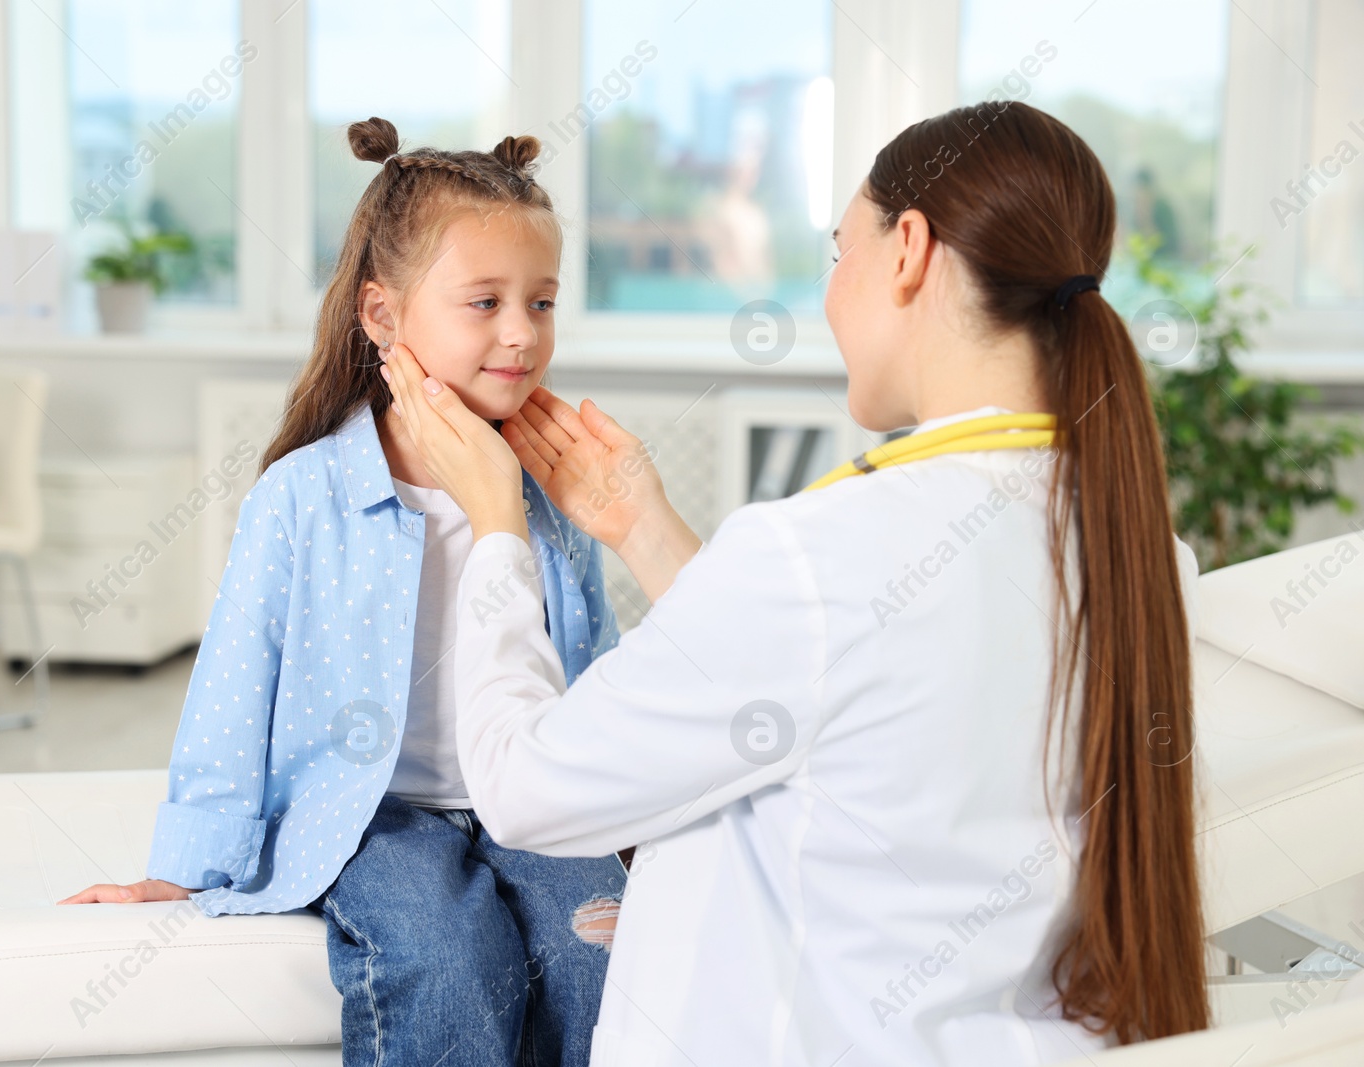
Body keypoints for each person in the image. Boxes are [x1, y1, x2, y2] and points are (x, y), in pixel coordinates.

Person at [377, 100, 1208, 1066]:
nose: (830, 291)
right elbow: (829, 690)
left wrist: (495, 530)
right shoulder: (1140, 552)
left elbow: (525, 787)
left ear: (908, 249)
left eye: (837, 252)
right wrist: (645, 528)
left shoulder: (831, 549)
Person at [60, 117, 627, 1067]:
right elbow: (233, 693)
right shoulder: (304, 496)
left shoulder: (554, 492)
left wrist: (636, 827)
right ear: (382, 316)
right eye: (483, 302)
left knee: (599, 954)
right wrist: (183, 871)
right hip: (373, 815)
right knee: (452, 964)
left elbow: (595, 665)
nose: (522, 335)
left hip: (525, 802)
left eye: (542, 301)